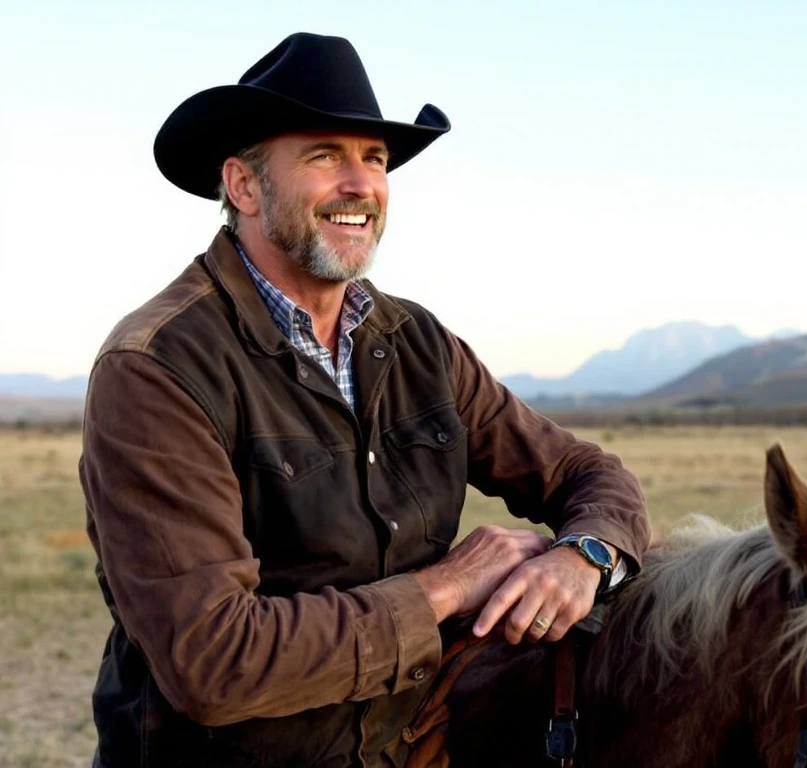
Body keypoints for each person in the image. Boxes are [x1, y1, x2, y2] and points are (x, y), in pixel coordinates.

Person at [80, 32, 650, 768]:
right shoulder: (158, 368)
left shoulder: (416, 342)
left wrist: (586, 554)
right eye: (324, 156)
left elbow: (585, 473)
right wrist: (444, 588)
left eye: (374, 159)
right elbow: (214, 663)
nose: (361, 185)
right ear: (245, 187)